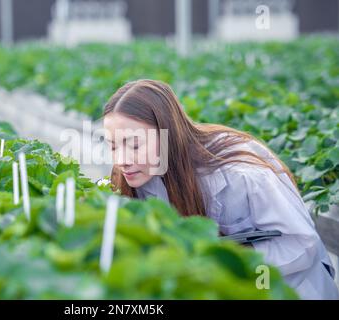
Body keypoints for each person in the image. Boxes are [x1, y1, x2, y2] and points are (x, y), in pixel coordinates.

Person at [102, 79, 339, 300]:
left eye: (134, 145)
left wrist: (222, 265)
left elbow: (300, 244)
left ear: (168, 136)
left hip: (291, 287)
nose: (122, 159)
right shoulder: (138, 175)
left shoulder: (241, 175)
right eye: (113, 146)